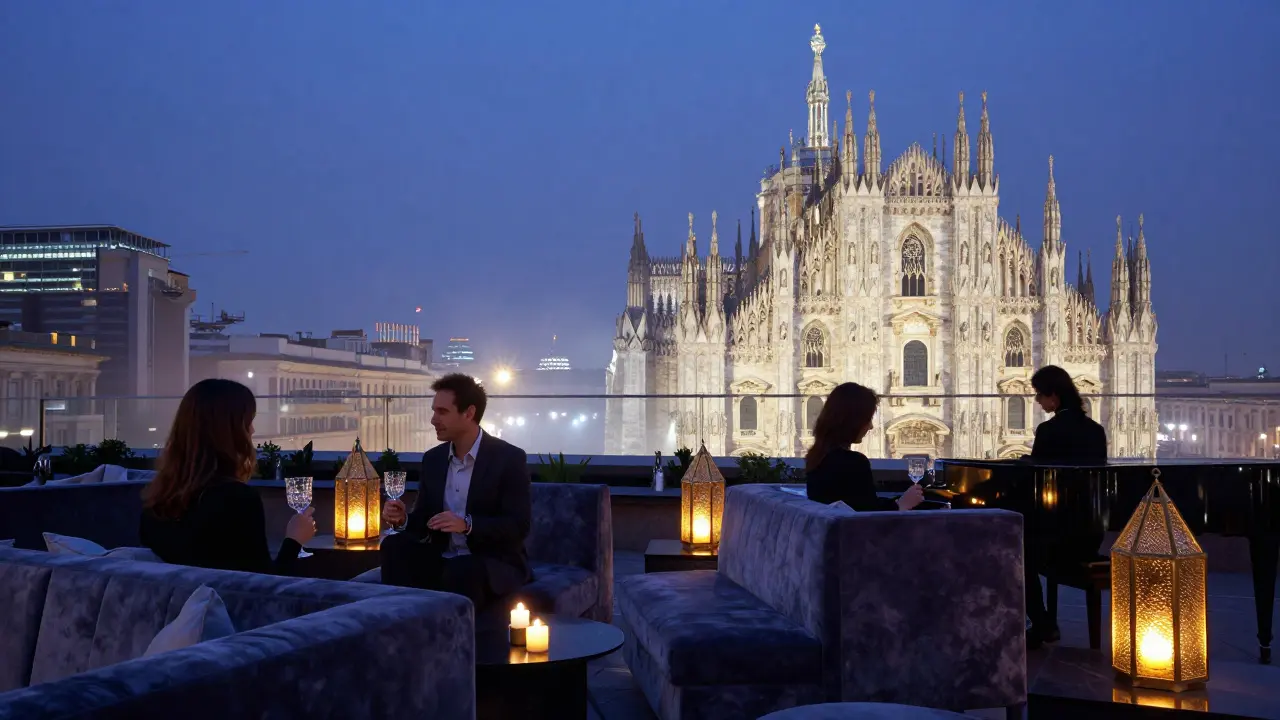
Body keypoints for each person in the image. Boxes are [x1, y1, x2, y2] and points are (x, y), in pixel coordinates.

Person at [381, 373, 531, 612]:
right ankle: (399, 630)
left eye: (442, 412)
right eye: (434, 411)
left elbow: (518, 526)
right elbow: (425, 520)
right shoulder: (433, 459)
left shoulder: (508, 458)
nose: (433, 419)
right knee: (394, 547)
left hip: (491, 561)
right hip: (443, 557)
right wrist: (404, 519)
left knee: (462, 571)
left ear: (469, 413)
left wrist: (467, 525)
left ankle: (456, 644)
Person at [141, 378, 316, 574]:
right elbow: (260, 588)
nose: (252, 430)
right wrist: (294, 540)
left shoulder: (156, 501)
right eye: (247, 422)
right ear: (230, 432)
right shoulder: (237, 499)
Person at [1024, 364, 1109, 648]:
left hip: (1057, 537)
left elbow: (1037, 479)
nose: (1037, 401)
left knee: (1018, 556)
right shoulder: (1096, 431)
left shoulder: (1048, 430)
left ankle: (1043, 622)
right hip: (1090, 533)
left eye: (1039, 395)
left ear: (1054, 397)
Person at [805, 382, 924, 512]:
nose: (871, 426)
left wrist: (899, 501)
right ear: (853, 421)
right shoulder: (853, 462)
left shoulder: (816, 457)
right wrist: (901, 505)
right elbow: (869, 515)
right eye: (868, 419)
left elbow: (859, 503)